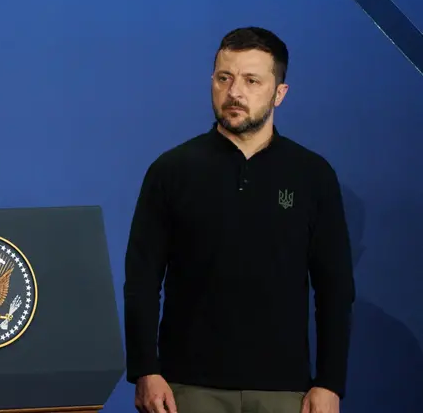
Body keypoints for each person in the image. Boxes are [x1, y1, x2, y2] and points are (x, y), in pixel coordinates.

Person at [123, 27, 355, 413]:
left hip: (286, 392)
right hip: (186, 389)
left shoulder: (312, 175)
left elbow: (335, 288)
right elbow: (142, 280)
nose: (235, 92)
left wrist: (330, 382)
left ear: (279, 92)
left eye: (251, 80)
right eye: (224, 78)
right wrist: (146, 369)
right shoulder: (171, 170)